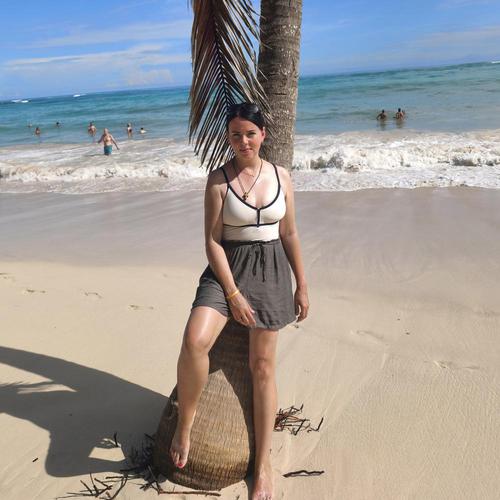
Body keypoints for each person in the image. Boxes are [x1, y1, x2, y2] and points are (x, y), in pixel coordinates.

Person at [169, 102, 309, 500]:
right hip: (226, 270)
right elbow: (213, 241)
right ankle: (185, 425)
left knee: (262, 367)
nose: (243, 141)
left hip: (270, 271)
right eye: (236, 135)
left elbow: (290, 233)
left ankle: (262, 467)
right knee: (195, 341)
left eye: (250, 133)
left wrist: (302, 284)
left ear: (263, 134)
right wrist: (231, 293)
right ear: (228, 139)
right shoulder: (218, 181)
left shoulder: (282, 176)